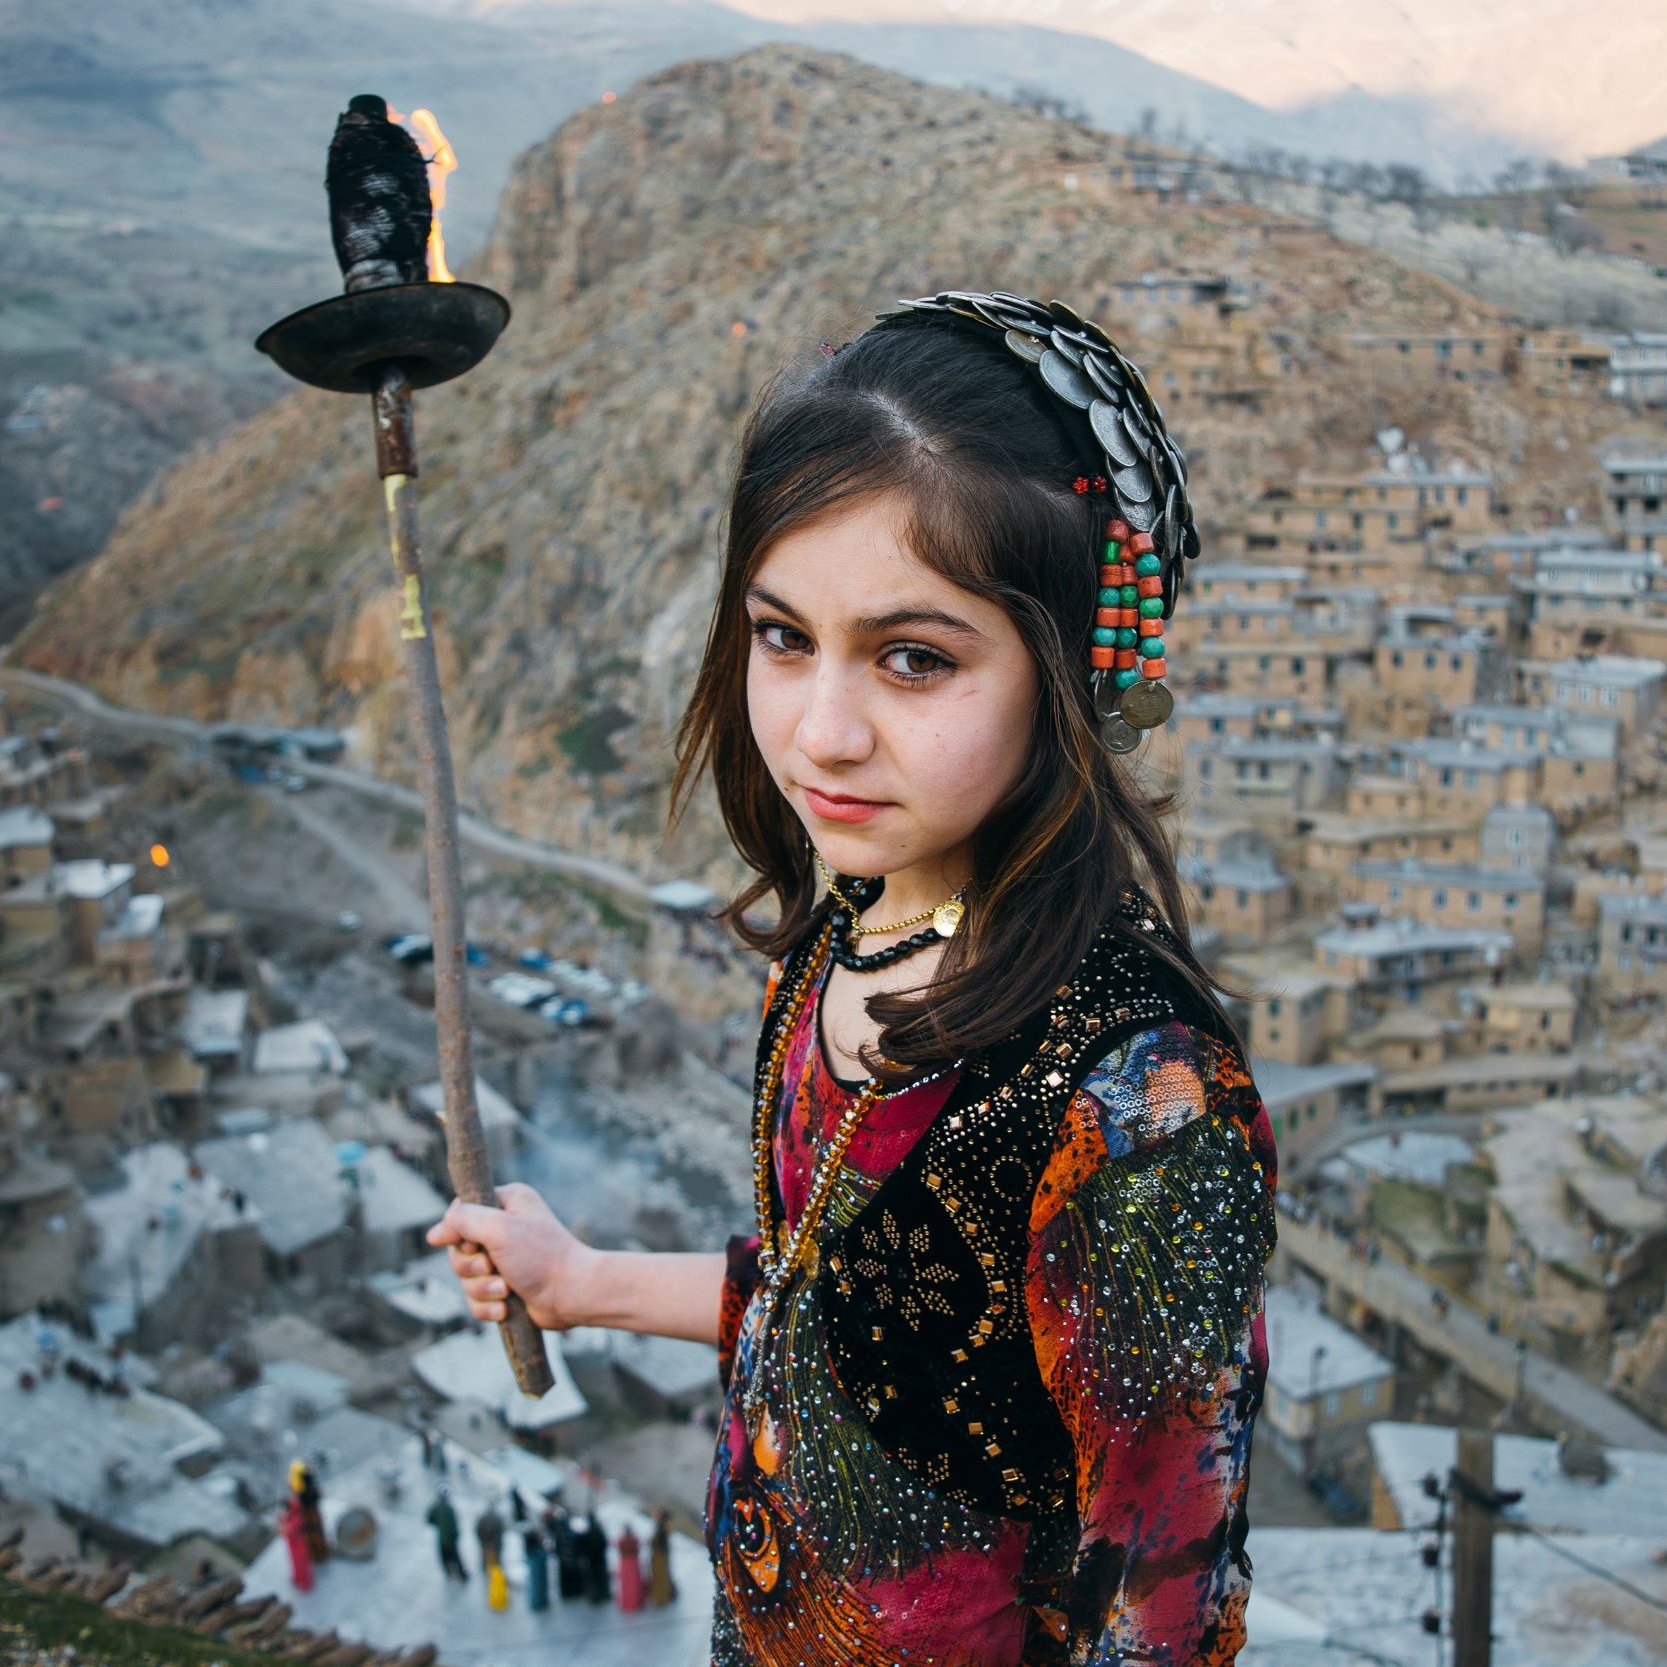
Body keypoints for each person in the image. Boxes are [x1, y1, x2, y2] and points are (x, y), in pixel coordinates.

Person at [429, 291, 1279, 1665]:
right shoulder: (846, 935)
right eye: (781, 636)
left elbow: (1160, 1604)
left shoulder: (1134, 1107)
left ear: (1068, 663)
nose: (820, 730)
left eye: (912, 657)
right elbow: (828, 1303)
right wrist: (579, 1277)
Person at [426, 1486, 467, 1582]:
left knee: (444, 1557)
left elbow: (429, 1520)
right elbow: (454, 1525)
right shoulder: (449, 1509)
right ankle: (462, 1575)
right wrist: (456, 1535)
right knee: (456, 1557)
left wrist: (438, 1524)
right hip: (451, 1539)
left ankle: (448, 1572)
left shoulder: (435, 1508)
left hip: (442, 1538)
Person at [280, 1494, 314, 1593]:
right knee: (296, 1564)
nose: (285, 1510)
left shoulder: (297, 1518)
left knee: (301, 1565)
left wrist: (283, 1526)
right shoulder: (292, 1515)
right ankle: (298, 1579)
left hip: (298, 1546)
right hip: (294, 1546)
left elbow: (288, 1531)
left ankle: (305, 1584)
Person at [647, 1509, 676, 1608]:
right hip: (660, 1555)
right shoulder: (662, 1526)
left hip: (660, 1556)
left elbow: (659, 1542)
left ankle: (662, 1597)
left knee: (661, 1577)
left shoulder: (662, 1527)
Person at [616, 1522, 645, 1611]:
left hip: (625, 1563)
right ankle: (635, 1602)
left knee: (627, 1585)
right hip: (633, 1563)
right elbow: (638, 1549)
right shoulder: (634, 1539)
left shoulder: (621, 1540)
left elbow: (619, 1550)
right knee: (634, 1583)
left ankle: (628, 1603)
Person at [523, 1519, 550, 1612]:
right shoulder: (531, 1534)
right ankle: (537, 1601)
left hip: (535, 1556)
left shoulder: (531, 1533)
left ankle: (538, 1601)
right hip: (535, 1556)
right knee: (536, 1581)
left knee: (537, 1580)